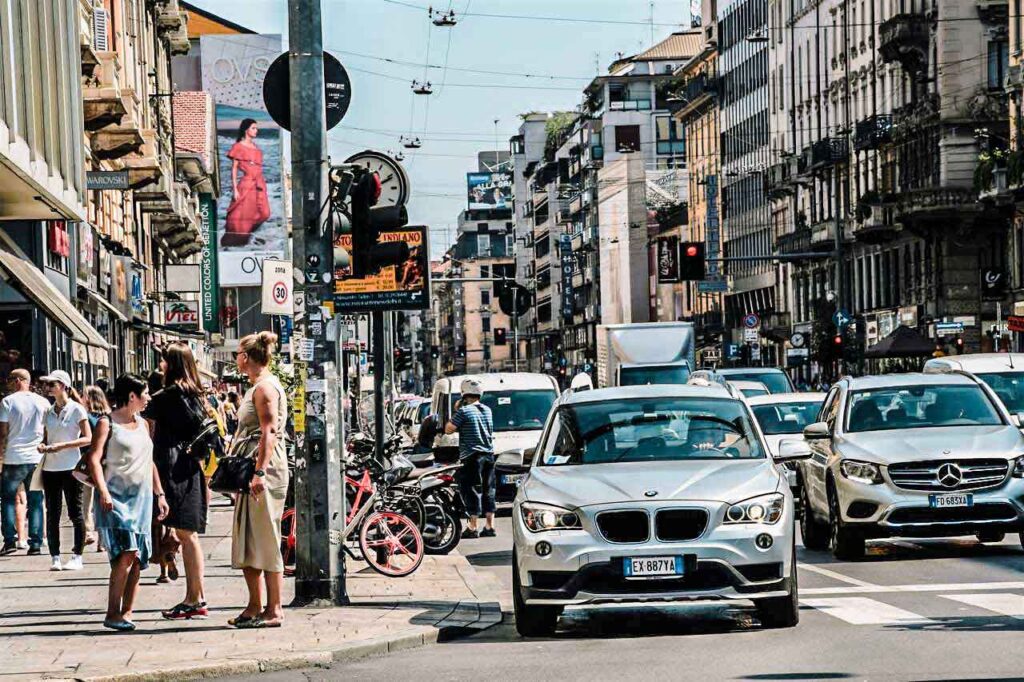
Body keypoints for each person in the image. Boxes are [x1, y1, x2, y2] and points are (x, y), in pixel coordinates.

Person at [87, 373, 168, 631]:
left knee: (139, 557)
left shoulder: (143, 424)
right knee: (127, 553)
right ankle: (112, 612)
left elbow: (150, 460)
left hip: (142, 499)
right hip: (116, 498)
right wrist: (103, 492)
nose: (148, 398)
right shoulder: (107, 423)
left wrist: (160, 494)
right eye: (144, 393)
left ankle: (128, 611)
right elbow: (93, 459)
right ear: (131, 396)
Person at [145, 343, 210, 620]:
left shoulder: (165, 397)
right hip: (191, 467)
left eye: (163, 361)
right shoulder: (196, 394)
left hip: (171, 468)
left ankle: (195, 599)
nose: (160, 366)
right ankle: (196, 597)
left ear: (169, 364)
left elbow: (147, 434)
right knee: (188, 535)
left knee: (185, 534)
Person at [229, 331, 289, 629]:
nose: (236, 359)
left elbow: (269, 430)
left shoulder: (265, 388)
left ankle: (274, 608)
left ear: (248, 358)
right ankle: (255, 606)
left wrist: (259, 472)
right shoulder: (259, 386)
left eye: (238, 354)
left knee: (265, 538)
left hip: (263, 470)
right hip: (251, 468)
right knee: (250, 538)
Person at [38, 370, 92, 571]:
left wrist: (61, 446)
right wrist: (43, 445)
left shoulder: (77, 410)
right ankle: (55, 556)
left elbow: (88, 438)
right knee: (52, 512)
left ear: (63, 386)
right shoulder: (48, 411)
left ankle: (77, 555)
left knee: (75, 511)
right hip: (50, 467)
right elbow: (46, 437)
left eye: (52, 384)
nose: (48, 387)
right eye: (48, 384)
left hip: (71, 466)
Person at [0, 369, 51, 555]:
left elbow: (3, 433)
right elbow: (48, 430)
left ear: (19, 380)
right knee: (36, 500)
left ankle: (10, 540)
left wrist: (0, 456)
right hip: (36, 457)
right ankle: (36, 543)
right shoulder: (43, 402)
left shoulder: (7, 402)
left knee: (7, 500)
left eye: (10, 379)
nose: (8, 383)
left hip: (13, 457)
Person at [444, 378, 496, 539]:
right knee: (489, 490)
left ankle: (473, 526)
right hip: (488, 454)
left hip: (471, 456)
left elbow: (448, 430)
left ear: (464, 394)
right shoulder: (487, 410)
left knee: (470, 489)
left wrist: (456, 410)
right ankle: (490, 526)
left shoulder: (463, 411)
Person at [221, 118, 271, 248]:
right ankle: (239, 239)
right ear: (246, 130)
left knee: (265, 213)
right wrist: (235, 189)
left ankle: (248, 232)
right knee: (240, 215)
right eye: (253, 128)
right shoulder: (238, 146)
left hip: (260, 184)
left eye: (256, 128)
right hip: (247, 183)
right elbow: (234, 169)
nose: (256, 130)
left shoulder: (257, 148)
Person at [81, 385, 111, 550]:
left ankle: (88, 532)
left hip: (87, 462)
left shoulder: (85, 417)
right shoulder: (108, 417)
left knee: (86, 500)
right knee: (102, 500)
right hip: (105, 462)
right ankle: (102, 540)